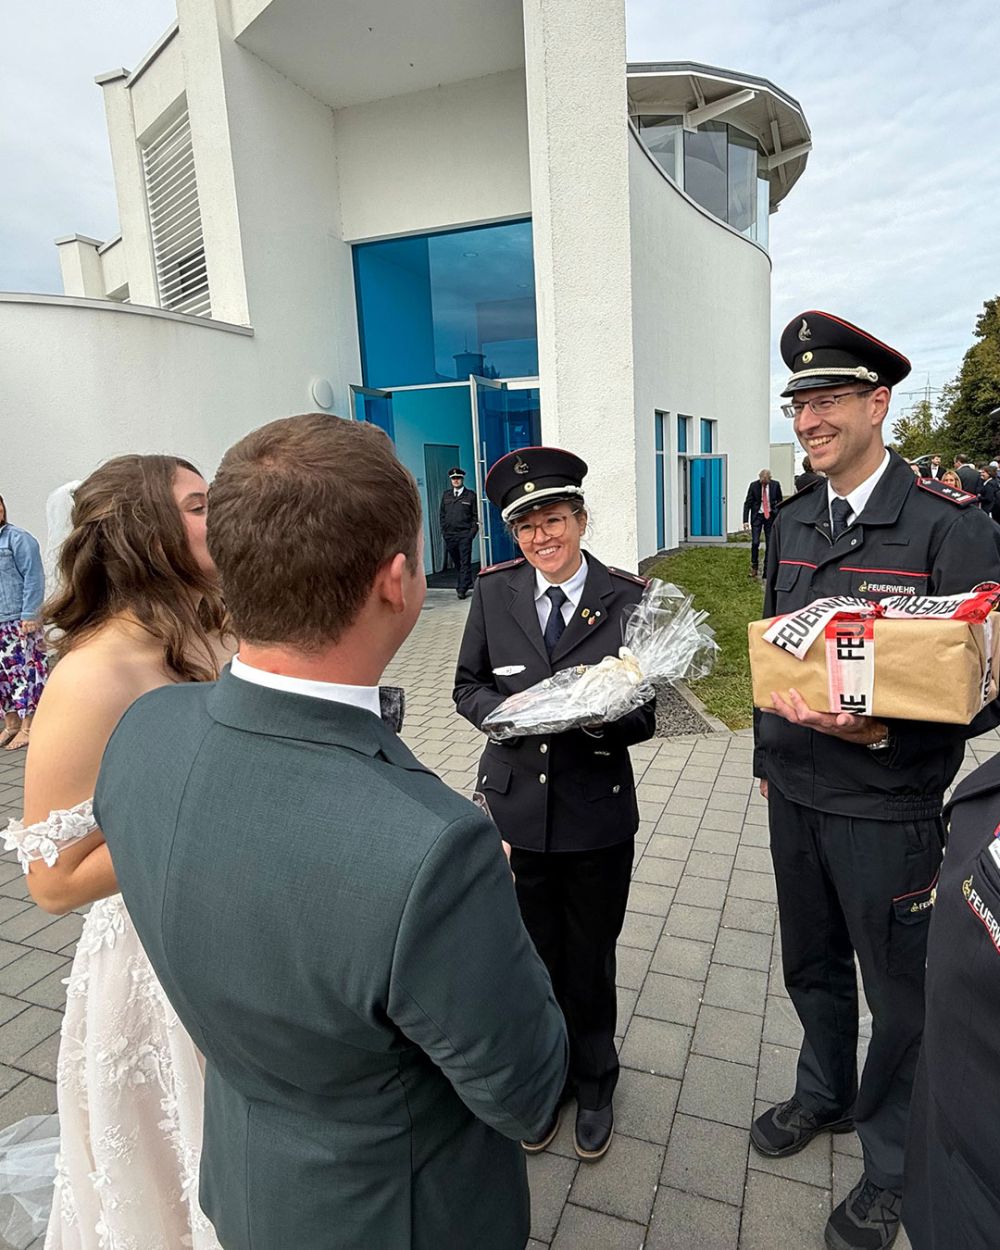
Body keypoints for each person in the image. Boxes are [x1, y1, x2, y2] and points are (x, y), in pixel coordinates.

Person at [94, 415, 568, 1250]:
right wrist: (491, 915)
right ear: (396, 580)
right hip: (397, 1218)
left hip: (250, 1186)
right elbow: (526, 1091)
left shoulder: (145, 729)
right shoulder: (435, 853)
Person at [751, 311, 1000, 1250]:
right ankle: (824, 1092)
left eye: (827, 400)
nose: (810, 418)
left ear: (876, 402)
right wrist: (768, 761)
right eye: (800, 402)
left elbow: (987, 685)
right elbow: (780, 649)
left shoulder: (948, 528)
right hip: (796, 798)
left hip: (889, 808)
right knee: (809, 968)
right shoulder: (794, 519)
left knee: (899, 996)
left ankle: (894, 1164)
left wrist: (890, 720)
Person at [4, 456, 230, 1248]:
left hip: (232, 924)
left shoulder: (212, 629)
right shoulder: (90, 673)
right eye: (201, 505)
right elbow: (53, 882)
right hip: (151, 953)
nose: (221, 514)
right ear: (148, 531)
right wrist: (201, 820)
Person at [453, 447, 656, 1163]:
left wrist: (588, 711)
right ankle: (548, 1078)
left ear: (580, 518)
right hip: (512, 814)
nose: (544, 536)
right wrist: (512, 717)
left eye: (555, 519)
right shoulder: (494, 592)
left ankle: (596, 1080)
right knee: (530, 958)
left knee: (588, 958)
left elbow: (645, 717)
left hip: (594, 814)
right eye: (528, 525)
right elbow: (467, 686)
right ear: (515, 534)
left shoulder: (628, 598)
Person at [903, 753, 1000, 1247]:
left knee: (894, 1005)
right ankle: (822, 1095)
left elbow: (962, 704)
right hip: (946, 1140)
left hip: (980, 1182)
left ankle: (882, 1162)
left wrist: (886, 743)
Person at [0, 494, 46, 751]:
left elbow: (34, 577)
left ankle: (29, 727)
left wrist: (30, 614)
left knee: (24, 675)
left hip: (18, 620)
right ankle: (12, 724)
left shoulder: (18, 539)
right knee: (2, 679)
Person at [439, 466, 479, 599]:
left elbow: (475, 516)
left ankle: (461, 588)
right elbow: (442, 514)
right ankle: (466, 580)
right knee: (457, 561)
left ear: (462, 479)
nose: (456, 481)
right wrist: (444, 531)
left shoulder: (470, 495)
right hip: (450, 535)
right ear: (451, 480)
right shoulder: (446, 495)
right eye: (453, 479)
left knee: (464, 561)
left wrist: (471, 534)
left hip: (464, 534)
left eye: (458, 478)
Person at [742, 469, 783, 577]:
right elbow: (747, 503)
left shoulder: (775, 485)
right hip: (757, 516)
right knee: (755, 542)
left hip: (770, 516)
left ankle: (767, 570)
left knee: (770, 544)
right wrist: (745, 520)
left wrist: (777, 513)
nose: (764, 484)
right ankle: (754, 566)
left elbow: (780, 501)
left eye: (766, 483)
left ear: (770, 479)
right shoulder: (754, 486)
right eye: (762, 482)